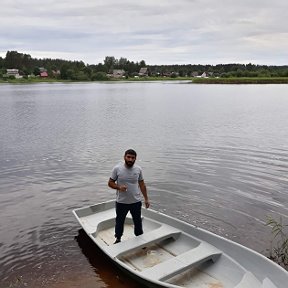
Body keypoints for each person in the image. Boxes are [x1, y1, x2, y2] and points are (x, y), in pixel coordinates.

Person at [108, 149, 150, 244]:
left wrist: (146, 199)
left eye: (132, 158)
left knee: (138, 221)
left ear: (135, 159)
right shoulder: (117, 169)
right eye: (128, 157)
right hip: (121, 202)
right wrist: (118, 187)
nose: (130, 159)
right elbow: (110, 183)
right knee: (119, 221)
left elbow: (142, 185)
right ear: (124, 157)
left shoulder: (138, 169)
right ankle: (118, 238)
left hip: (136, 202)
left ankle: (139, 238)